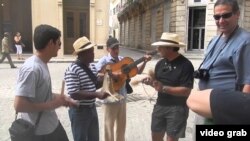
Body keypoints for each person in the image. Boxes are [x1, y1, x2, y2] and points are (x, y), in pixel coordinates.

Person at [14, 24, 76, 141]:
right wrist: (52, 105)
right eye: (59, 43)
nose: (59, 47)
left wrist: (62, 99)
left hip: (51, 126)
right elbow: (19, 105)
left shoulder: (42, 64)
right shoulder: (32, 69)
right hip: (40, 133)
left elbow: (41, 94)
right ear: (50, 43)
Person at [194, 0, 250, 125]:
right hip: (208, 107)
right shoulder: (215, 39)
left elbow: (248, 82)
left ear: (237, 14)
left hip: (226, 111)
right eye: (217, 17)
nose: (221, 21)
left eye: (226, 15)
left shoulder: (246, 41)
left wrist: (240, 115)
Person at [95, 37, 151, 141]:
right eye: (113, 48)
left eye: (117, 47)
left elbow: (137, 71)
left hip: (122, 98)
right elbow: (98, 76)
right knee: (108, 128)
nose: (116, 50)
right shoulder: (104, 61)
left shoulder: (123, 60)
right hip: (109, 99)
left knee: (121, 128)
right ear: (108, 49)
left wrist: (144, 61)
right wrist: (112, 75)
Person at [142, 32, 194, 141]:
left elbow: (186, 91)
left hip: (177, 108)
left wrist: (164, 88)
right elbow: (158, 85)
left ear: (170, 48)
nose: (158, 48)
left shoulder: (186, 65)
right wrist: (151, 83)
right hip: (160, 105)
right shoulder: (160, 64)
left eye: (160, 46)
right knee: (155, 137)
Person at [64, 36, 109, 141]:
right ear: (81, 54)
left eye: (92, 51)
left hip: (91, 109)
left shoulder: (92, 66)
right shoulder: (73, 69)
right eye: (90, 52)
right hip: (79, 111)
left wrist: (107, 78)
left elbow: (95, 84)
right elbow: (74, 93)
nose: (93, 54)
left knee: (94, 138)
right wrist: (97, 94)